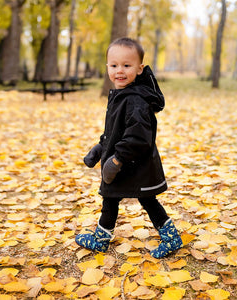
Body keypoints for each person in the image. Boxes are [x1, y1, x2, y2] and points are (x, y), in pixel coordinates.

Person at [75, 37, 183, 259]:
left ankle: (171, 238)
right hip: (124, 161)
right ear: (107, 67)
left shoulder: (135, 100)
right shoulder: (121, 95)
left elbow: (138, 137)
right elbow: (115, 131)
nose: (119, 71)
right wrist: (99, 148)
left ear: (139, 68)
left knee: (147, 199)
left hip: (136, 163)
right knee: (110, 198)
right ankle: (102, 238)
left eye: (127, 65)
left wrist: (116, 160)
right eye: (114, 65)